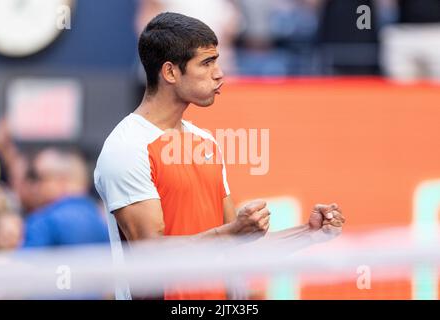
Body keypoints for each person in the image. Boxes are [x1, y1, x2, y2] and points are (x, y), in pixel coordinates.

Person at [94, 12, 345, 300]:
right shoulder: (127, 148)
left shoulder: (206, 142)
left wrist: (308, 233)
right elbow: (150, 254)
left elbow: (236, 246)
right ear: (170, 72)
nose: (219, 73)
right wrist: (233, 233)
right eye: (207, 62)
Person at [23, 148, 109, 247]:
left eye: (40, 178)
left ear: (61, 180)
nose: (35, 187)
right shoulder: (104, 221)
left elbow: (24, 261)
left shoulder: (43, 224)